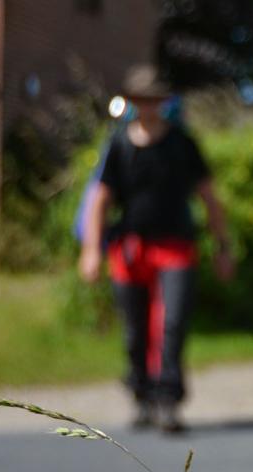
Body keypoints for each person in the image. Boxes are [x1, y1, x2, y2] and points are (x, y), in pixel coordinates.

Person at [77, 64, 233, 433]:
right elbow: (100, 200)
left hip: (176, 246)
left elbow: (209, 198)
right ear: (133, 102)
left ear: (163, 102)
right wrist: (91, 250)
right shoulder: (118, 143)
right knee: (135, 329)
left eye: (155, 100)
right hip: (130, 249)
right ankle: (142, 395)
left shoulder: (182, 142)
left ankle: (168, 401)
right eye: (141, 100)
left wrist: (223, 246)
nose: (148, 106)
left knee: (172, 324)